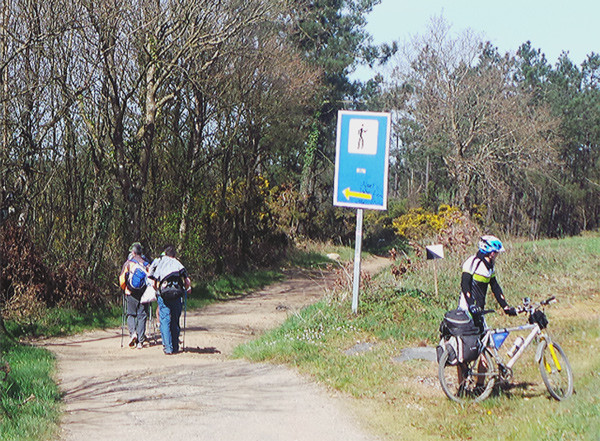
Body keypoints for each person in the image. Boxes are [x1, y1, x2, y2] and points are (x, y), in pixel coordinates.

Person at [458, 235, 517, 330]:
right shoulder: (472, 262)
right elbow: (465, 285)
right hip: (466, 309)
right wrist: (471, 305)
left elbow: (495, 287)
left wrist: (505, 306)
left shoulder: (490, 267)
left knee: (484, 339)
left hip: (479, 310)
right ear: (491, 253)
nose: (497, 256)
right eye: (496, 253)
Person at [148, 245, 191, 355]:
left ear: (165, 254)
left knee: (165, 320)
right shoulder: (177, 263)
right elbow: (187, 281)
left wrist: (158, 291)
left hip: (164, 295)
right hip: (177, 295)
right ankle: (176, 346)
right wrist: (186, 289)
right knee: (175, 321)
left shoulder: (160, 262)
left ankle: (168, 348)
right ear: (174, 255)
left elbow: (153, 281)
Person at [119, 242, 150, 349]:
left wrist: (125, 289)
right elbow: (151, 279)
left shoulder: (128, 264)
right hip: (144, 293)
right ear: (141, 253)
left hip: (131, 292)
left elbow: (122, 279)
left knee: (131, 314)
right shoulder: (146, 264)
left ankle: (133, 334)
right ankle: (141, 341)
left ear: (133, 252)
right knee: (142, 315)